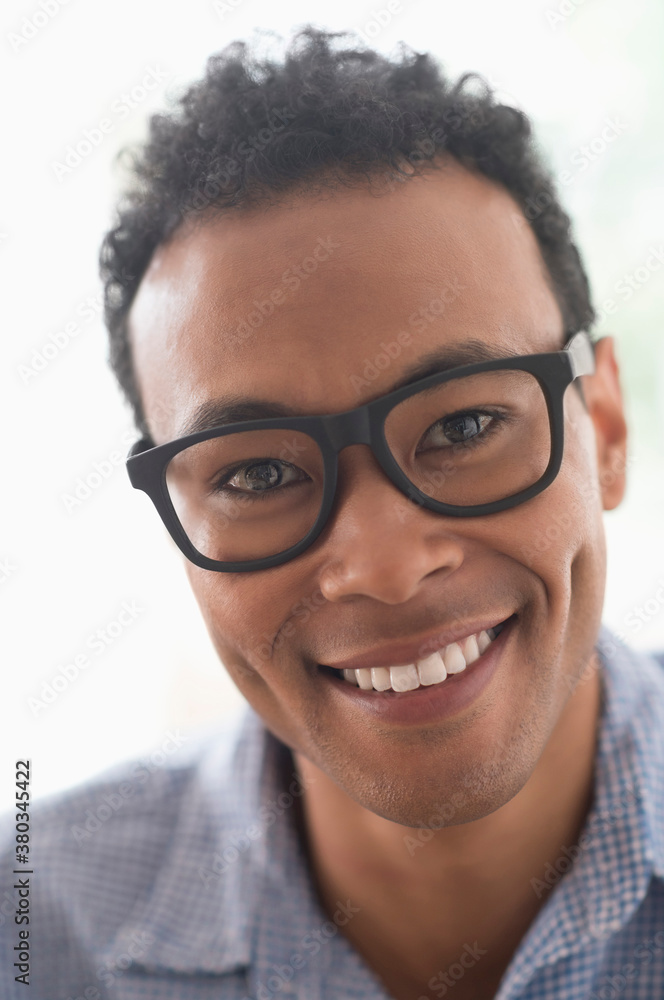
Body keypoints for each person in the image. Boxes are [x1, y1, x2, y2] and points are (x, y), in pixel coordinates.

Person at [3, 25, 664, 1000]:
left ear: (601, 427)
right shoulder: (36, 929)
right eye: (258, 476)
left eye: (467, 421)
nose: (386, 565)